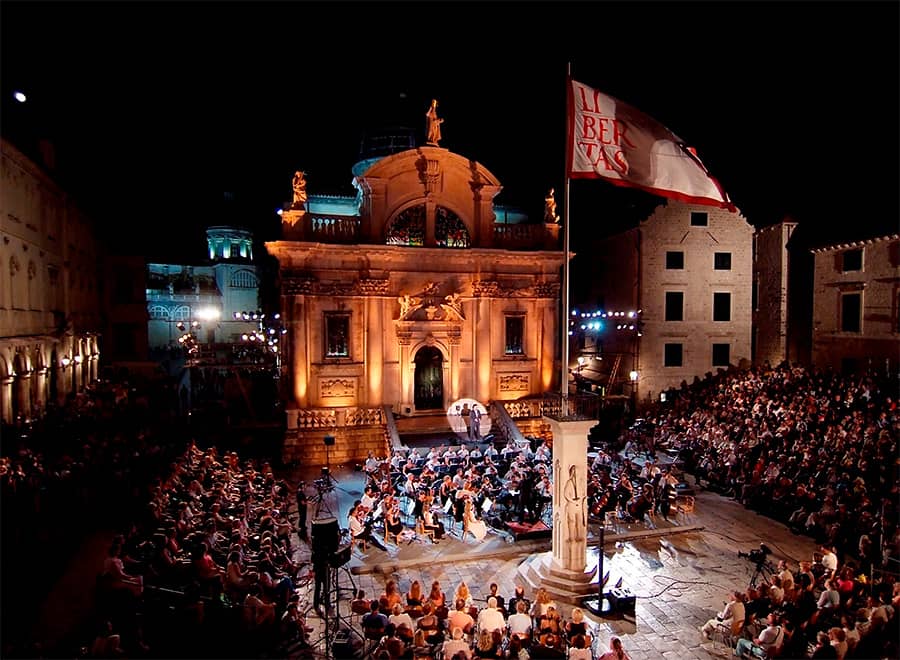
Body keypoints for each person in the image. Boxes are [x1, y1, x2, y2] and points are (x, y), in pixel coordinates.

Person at [563, 464, 587, 565]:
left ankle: (579, 536)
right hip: (572, 505)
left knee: (579, 521)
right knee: (571, 521)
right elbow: (566, 494)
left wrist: (580, 499)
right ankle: (572, 537)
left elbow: (583, 493)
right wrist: (573, 501)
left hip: (579, 504)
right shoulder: (569, 483)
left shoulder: (581, 483)